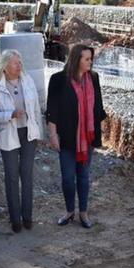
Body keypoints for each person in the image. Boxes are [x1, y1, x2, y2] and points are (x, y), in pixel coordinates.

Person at [45, 44, 106, 229]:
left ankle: (84, 213)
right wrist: (53, 134)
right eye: (87, 59)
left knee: (84, 177)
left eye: (91, 58)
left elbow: (99, 105)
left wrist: (96, 127)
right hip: (67, 137)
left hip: (86, 138)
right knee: (67, 177)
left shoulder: (93, 78)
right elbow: (52, 110)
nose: (90, 62)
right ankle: (69, 211)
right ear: (76, 59)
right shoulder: (58, 79)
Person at [0, 49, 43, 233]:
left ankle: (27, 217)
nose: (19, 66)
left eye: (20, 62)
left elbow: (36, 109)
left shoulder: (28, 81)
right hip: (8, 134)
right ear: (5, 66)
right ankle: (15, 219)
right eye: (15, 63)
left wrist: (39, 133)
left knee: (27, 175)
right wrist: (10, 114)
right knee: (11, 177)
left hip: (28, 133)